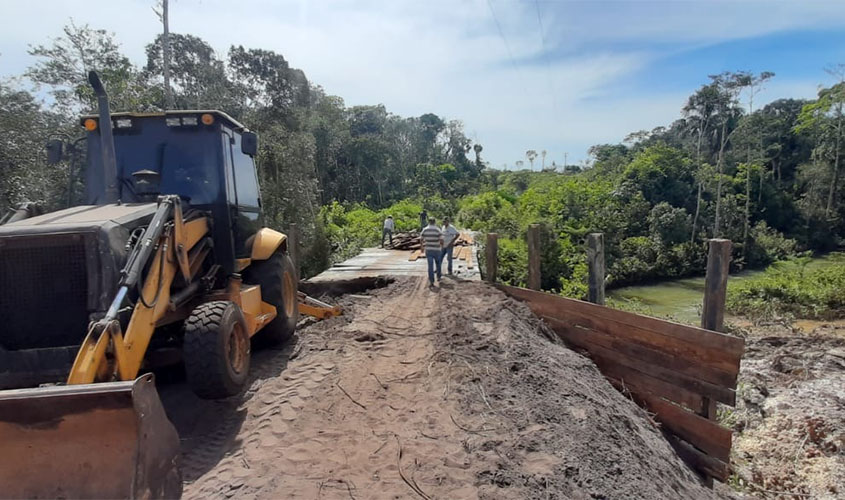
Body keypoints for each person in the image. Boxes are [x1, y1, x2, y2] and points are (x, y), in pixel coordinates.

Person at [420, 217, 443, 288]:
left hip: (428, 250)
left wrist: (422, 247)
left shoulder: (425, 229)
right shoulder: (437, 229)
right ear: (435, 222)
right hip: (437, 250)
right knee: (438, 264)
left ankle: (431, 281)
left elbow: (421, 239)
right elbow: (441, 239)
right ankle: (438, 277)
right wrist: (441, 246)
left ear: (428, 222)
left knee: (430, 266)